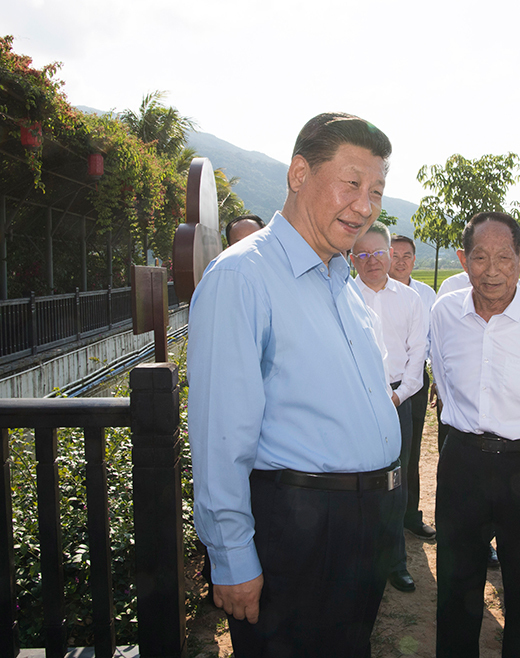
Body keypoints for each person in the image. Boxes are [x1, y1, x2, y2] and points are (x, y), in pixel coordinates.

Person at [188, 112, 403, 657]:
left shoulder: (343, 282)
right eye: (351, 183)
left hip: (365, 524)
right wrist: (231, 557)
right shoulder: (242, 276)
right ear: (299, 173)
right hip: (299, 529)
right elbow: (220, 437)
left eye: (377, 191)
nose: (365, 206)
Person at [431, 211, 520, 658]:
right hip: (463, 462)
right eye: (479, 257)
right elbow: (444, 382)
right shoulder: (444, 313)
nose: (492, 270)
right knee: (456, 583)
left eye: (504, 258)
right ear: (463, 259)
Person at [351, 222, 426, 593]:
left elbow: (417, 357)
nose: (372, 261)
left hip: (398, 399)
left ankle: (395, 562)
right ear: (352, 259)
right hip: (353, 400)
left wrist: (397, 397)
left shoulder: (411, 300)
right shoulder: (343, 296)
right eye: (362, 254)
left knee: (397, 478)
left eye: (378, 253)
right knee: (354, 479)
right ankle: (359, 559)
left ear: (390, 255)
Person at [388, 233, 438, 540]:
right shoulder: (369, 291)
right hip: (383, 382)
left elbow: (434, 340)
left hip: (416, 380)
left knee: (412, 451)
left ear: (415, 260)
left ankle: (410, 515)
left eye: (407, 256)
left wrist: (436, 380)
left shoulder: (426, 294)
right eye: (395, 255)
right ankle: (384, 518)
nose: (401, 261)